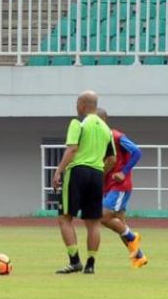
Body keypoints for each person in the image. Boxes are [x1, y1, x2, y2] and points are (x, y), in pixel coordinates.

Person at [52, 91, 115, 274]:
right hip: (96, 174)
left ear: (82, 104)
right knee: (93, 222)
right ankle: (91, 264)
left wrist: (58, 171)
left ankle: (74, 261)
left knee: (65, 217)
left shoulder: (77, 122)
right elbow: (111, 159)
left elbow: (72, 149)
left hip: (77, 172)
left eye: (77, 102)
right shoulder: (105, 129)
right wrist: (99, 173)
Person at [96, 108, 147, 268]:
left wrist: (124, 172)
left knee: (104, 216)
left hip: (119, 185)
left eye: (96, 122)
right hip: (109, 186)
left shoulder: (116, 136)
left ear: (103, 121)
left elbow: (137, 152)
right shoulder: (99, 140)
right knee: (119, 224)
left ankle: (133, 237)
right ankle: (139, 257)